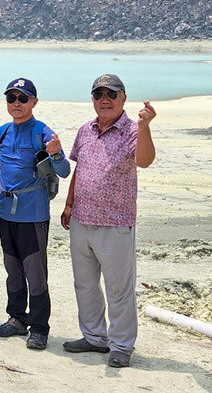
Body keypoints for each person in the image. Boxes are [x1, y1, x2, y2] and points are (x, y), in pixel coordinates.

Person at [61, 74, 156, 368]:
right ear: (92, 99)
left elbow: (144, 161)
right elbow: (80, 169)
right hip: (81, 219)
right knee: (85, 284)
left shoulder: (132, 130)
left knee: (119, 288)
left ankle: (122, 346)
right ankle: (94, 337)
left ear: (123, 98)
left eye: (111, 94)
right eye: (98, 94)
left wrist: (145, 126)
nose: (105, 100)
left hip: (115, 223)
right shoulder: (85, 130)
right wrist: (69, 204)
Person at [0, 77, 70, 350]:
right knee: (12, 270)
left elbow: (64, 171)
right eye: (11, 98)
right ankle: (17, 319)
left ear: (34, 102)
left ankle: (39, 328)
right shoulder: (2, 131)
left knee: (35, 273)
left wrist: (56, 154)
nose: (17, 103)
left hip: (33, 214)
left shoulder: (43, 132)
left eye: (23, 98)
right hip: (5, 213)